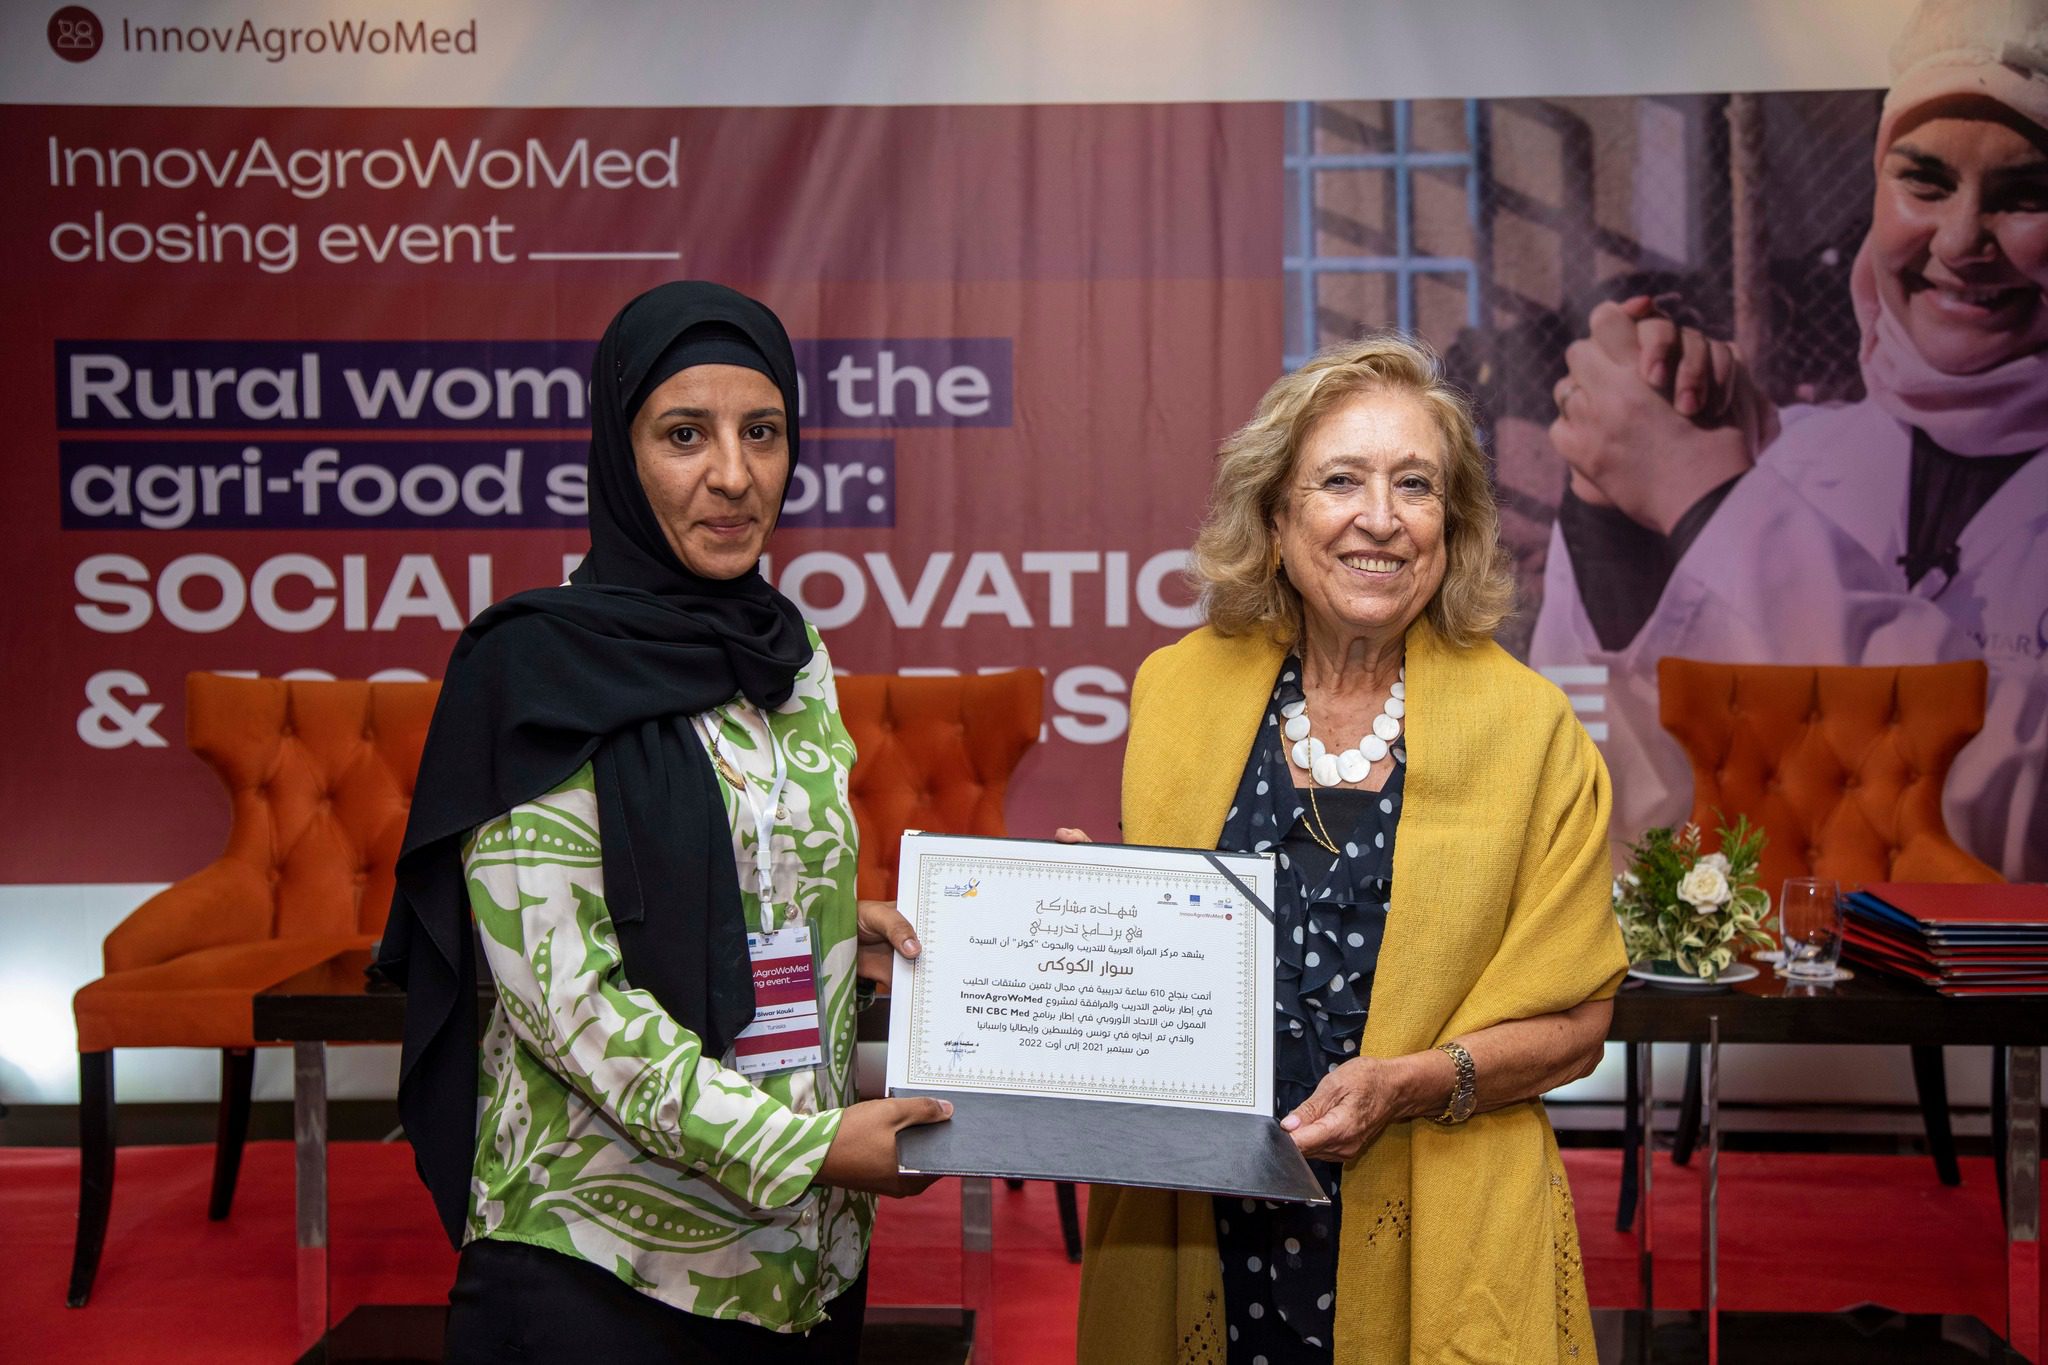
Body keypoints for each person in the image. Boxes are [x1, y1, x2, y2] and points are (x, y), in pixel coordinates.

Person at [375, 281, 950, 1362]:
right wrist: (808, 1149)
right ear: (619, 452)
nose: (733, 475)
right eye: (685, 434)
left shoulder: (791, 653)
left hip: (801, 1255)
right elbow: (567, 1002)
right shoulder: (532, 674)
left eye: (762, 432)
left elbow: (743, 863)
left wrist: (840, 920)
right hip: (601, 1255)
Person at [1076, 334, 1629, 1363]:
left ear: (1451, 527)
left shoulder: (1531, 729)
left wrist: (1412, 1082)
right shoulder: (1176, 692)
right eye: (1340, 481)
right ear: (1274, 516)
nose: (1380, 517)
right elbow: (1165, 967)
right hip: (1200, 1222)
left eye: (1414, 485)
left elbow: (1577, 1024)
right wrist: (1086, 911)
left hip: (1443, 1227)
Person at [1534, 0, 2048, 880]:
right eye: (1924, 183)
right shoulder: (1788, 460)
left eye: (2026, 196)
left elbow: (2010, 819)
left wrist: (1712, 507)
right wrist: (1618, 517)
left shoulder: (1747, 489)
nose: (1963, 240)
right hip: (1764, 974)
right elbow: (1608, 805)